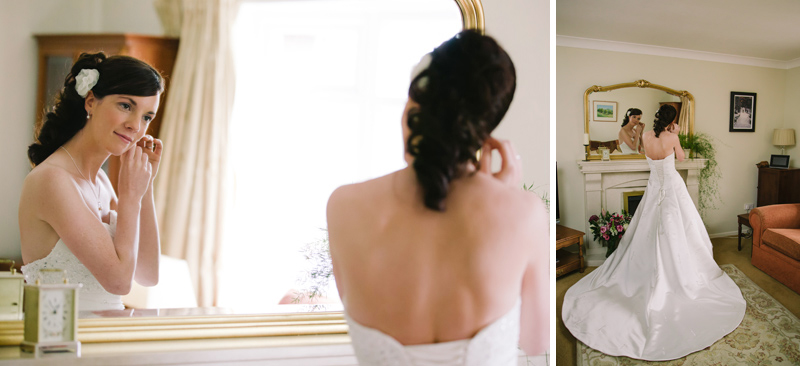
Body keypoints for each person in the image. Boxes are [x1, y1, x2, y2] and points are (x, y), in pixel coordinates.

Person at [326, 30, 548, 365]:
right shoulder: (524, 213)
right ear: (483, 132)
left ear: (413, 110)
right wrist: (504, 198)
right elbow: (536, 341)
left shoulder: (343, 206)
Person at [562, 104, 745, 361]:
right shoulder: (672, 137)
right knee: (677, 230)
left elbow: (640, 151)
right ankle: (677, 275)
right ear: (672, 122)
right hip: (670, 188)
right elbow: (681, 159)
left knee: (647, 230)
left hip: (653, 187)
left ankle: (647, 271)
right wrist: (676, 135)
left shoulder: (646, 136)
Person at [19, 52, 165, 312]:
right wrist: (130, 197)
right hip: (63, 340)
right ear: (90, 102)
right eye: (126, 106)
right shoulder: (52, 180)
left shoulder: (102, 181)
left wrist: (145, 186)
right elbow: (119, 282)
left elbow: (147, 274)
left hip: (107, 339)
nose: (135, 126)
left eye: (147, 117)